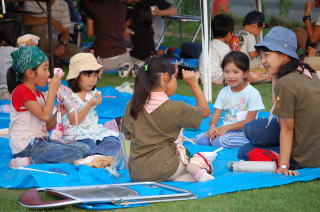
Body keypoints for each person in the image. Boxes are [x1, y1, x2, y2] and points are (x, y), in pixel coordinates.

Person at [238, 26, 320, 176]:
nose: (263, 62)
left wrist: (283, 165)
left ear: (284, 56)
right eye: (262, 56)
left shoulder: (286, 84)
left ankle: (282, 157)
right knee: (255, 128)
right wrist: (274, 75)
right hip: (314, 148)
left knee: (248, 142)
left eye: (267, 55)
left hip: (303, 157)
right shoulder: (308, 72)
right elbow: (279, 109)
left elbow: (287, 128)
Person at [121, 56, 217, 182]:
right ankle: (194, 171)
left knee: (180, 163)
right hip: (165, 167)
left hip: (137, 171)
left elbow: (127, 136)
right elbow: (205, 111)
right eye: (174, 78)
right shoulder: (175, 108)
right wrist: (194, 84)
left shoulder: (132, 105)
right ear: (166, 77)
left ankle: (184, 176)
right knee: (197, 160)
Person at [7, 46, 84, 168]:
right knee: (75, 154)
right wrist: (52, 90)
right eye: (45, 69)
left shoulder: (38, 94)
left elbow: (46, 126)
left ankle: (45, 158)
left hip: (41, 142)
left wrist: (61, 111)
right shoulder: (20, 91)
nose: (48, 74)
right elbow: (45, 116)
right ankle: (28, 161)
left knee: (84, 149)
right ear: (30, 73)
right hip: (27, 147)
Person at [195, 51, 265, 148]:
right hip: (226, 129)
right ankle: (221, 136)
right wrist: (212, 127)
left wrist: (226, 128)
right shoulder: (223, 92)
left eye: (236, 72)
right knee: (201, 140)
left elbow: (249, 121)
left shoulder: (253, 93)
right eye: (226, 72)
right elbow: (216, 115)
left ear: (245, 74)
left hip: (245, 131)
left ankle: (253, 141)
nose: (230, 76)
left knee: (218, 142)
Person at [63, 53, 120, 157]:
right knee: (89, 146)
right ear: (76, 76)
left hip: (93, 129)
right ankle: (99, 155)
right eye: (88, 75)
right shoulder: (69, 96)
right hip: (77, 132)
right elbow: (74, 122)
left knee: (113, 140)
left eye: (94, 75)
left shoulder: (92, 92)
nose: (92, 80)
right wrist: (89, 105)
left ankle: (98, 156)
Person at [83, 0, 133, 73]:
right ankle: (139, 68)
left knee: (84, 53)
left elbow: (90, 33)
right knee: (144, 65)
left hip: (103, 61)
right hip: (124, 57)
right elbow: (118, 28)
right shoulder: (123, 7)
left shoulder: (93, 7)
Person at [236, 10, 271, 83]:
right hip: (247, 64)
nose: (260, 32)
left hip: (236, 63)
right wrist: (261, 50)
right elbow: (252, 54)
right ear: (254, 25)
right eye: (260, 29)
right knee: (264, 59)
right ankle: (268, 74)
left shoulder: (237, 33)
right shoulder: (250, 36)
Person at [199, 14, 234, 84]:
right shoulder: (224, 47)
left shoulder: (209, 44)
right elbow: (231, 65)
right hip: (216, 77)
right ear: (228, 33)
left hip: (203, 78)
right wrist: (235, 53)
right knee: (241, 74)